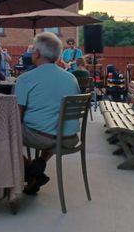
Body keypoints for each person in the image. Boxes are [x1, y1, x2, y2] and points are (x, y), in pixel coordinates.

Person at [15, 32, 80, 195]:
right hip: (69, 137)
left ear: (37, 54)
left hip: (42, 137)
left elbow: (16, 117)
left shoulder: (26, 78)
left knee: (1, 133)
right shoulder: (71, 78)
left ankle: (30, 170)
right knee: (52, 122)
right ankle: (39, 165)